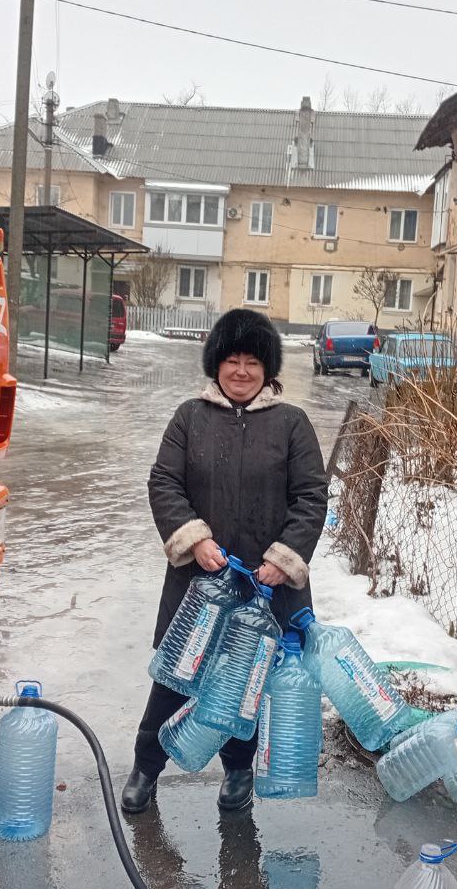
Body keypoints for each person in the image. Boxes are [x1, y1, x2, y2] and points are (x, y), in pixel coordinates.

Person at [121, 309, 328, 814]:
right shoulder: (189, 417)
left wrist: (283, 559)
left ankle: (238, 770)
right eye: (232, 360)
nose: (241, 371)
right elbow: (164, 483)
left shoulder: (291, 423)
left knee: (245, 680)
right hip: (199, 582)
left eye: (252, 362)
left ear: (267, 369)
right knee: (175, 677)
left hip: (264, 584)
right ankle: (146, 768)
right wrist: (194, 540)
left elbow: (311, 497)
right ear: (216, 363)